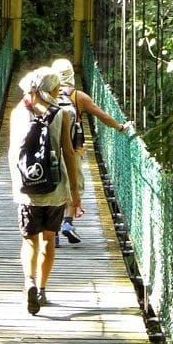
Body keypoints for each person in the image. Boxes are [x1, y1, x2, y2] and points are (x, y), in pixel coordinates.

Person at [7, 66, 81, 314]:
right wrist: (75, 193)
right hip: (56, 189)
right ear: (52, 89)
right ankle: (41, 289)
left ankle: (29, 281)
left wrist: (17, 186)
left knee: (29, 241)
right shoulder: (62, 114)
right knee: (49, 239)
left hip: (28, 188)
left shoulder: (18, 113)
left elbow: (13, 153)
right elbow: (69, 153)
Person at [51, 58, 131, 245]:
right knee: (74, 185)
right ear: (71, 74)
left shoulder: (47, 96)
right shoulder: (79, 97)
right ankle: (68, 223)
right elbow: (102, 115)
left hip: (50, 151)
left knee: (54, 187)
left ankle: (52, 230)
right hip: (73, 149)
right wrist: (120, 127)